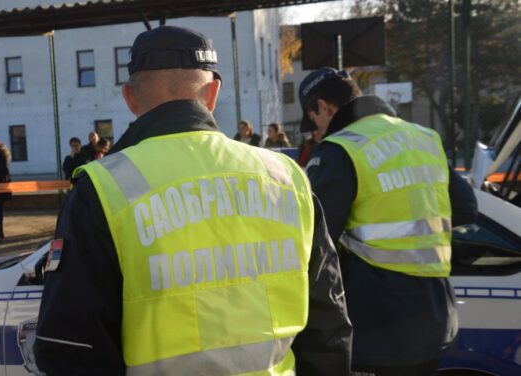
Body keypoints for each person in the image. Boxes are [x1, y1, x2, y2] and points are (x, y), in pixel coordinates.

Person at [35, 26, 352, 376]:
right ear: (213, 93)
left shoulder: (103, 188)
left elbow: (71, 349)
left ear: (130, 97)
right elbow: (329, 329)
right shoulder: (287, 178)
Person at [298, 67, 478, 376]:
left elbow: (312, 239)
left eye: (314, 120)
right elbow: (465, 207)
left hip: (376, 327)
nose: (316, 131)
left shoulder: (340, 149)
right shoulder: (423, 137)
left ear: (324, 107)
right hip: (435, 318)